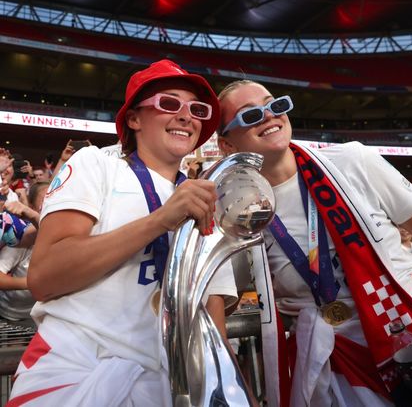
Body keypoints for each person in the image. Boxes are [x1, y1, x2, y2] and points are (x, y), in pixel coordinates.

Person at [217, 80, 412, 407]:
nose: (269, 117)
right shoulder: (234, 209)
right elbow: (224, 300)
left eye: (276, 105)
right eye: (250, 115)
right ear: (226, 144)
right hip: (331, 365)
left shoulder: (352, 161)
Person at [8, 60, 238, 406]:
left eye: (197, 109)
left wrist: (220, 388)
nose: (186, 116)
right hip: (77, 367)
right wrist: (160, 219)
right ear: (133, 119)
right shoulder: (95, 164)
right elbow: (44, 276)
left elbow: (211, 309)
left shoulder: (205, 198)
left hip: (169, 382)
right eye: (169, 103)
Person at [0, 182, 48, 326]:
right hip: (10, 313)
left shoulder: (9, 226)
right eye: (46, 203)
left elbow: (37, 233)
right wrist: (31, 283)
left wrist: (33, 216)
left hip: (41, 315)